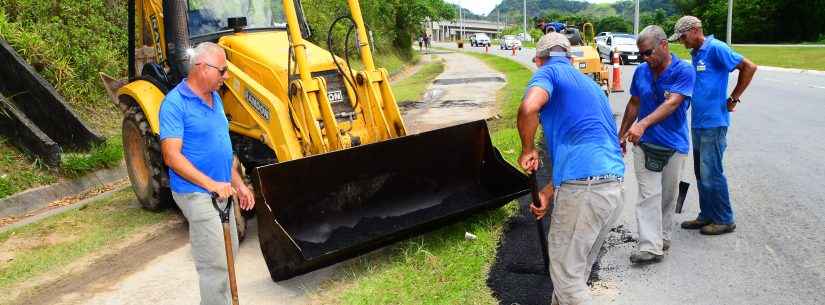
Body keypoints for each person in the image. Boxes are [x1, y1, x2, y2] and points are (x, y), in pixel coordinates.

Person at [517, 32, 625, 305]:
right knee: (574, 276)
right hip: (610, 187)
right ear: (569, 57)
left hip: (586, 191)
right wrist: (549, 192)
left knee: (567, 279)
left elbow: (529, 107)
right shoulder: (590, 87)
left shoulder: (548, 73)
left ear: (539, 60)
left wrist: (528, 148)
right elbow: (588, 155)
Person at [159, 42, 256, 305]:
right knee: (215, 267)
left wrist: (239, 183)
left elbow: (222, 149)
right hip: (196, 193)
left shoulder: (215, 99)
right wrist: (211, 184)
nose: (226, 76)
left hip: (221, 189)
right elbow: (171, 156)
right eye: (222, 71)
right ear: (201, 68)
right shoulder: (174, 104)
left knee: (228, 255)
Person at [669, 16, 757, 235]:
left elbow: (749, 67)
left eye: (683, 37)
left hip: (714, 123)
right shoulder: (696, 52)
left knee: (712, 172)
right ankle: (707, 214)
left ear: (695, 30)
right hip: (699, 123)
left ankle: (724, 219)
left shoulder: (716, 48)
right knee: (701, 172)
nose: (682, 42)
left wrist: (734, 97)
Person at [619, 25, 694, 263]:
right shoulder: (641, 71)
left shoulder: (684, 70)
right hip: (645, 143)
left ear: (664, 45)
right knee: (648, 195)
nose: (645, 58)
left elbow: (673, 103)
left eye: (649, 52)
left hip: (673, 144)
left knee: (667, 196)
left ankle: (662, 235)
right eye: (641, 54)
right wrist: (621, 135)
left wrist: (643, 124)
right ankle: (650, 246)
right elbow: (634, 103)